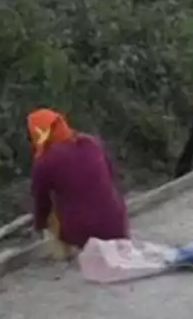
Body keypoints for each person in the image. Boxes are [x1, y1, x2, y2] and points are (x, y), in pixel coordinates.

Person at [27, 108, 129, 257]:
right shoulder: (91, 143)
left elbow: (42, 203)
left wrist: (39, 226)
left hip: (83, 233)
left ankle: (64, 253)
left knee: (55, 205)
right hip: (117, 227)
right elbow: (111, 174)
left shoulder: (44, 162)